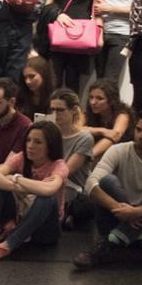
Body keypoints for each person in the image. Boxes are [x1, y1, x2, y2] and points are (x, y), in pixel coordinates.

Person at [0, 120, 69, 260]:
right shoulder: (21, 157)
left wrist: (16, 179)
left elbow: (48, 190)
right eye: (28, 140)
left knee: (47, 199)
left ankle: (7, 245)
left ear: (50, 146)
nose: (30, 146)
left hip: (45, 228)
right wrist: (18, 186)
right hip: (20, 215)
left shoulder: (59, 165)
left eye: (38, 142)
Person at [73, 105, 142, 270]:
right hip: (116, 216)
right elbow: (90, 183)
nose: (140, 136)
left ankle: (110, 244)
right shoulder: (119, 150)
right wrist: (122, 210)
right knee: (107, 181)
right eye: (138, 130)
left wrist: (138, 212)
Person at [50, 88, 97, 228]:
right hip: (50, 179)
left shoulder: (84, 138)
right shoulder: (48, 132)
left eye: (60, 110)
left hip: (73, 186)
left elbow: (66, 170)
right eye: (52, 110)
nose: (55, 114)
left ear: (73, 110)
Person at [83, 78, 133, 158]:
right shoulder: (89, 112)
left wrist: (88, 157)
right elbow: (75, 130)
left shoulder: (122, 115)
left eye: (99, 98)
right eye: (91, 97)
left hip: (120, 156)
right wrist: (102, 131)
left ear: (111, 100)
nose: (93, 102)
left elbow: (114, 136)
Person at [16, 55, 57, 122]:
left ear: (44, 74)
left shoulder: (56, 97)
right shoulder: (20, 95)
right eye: (25, 78)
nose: (27, 81)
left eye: (32, 76)